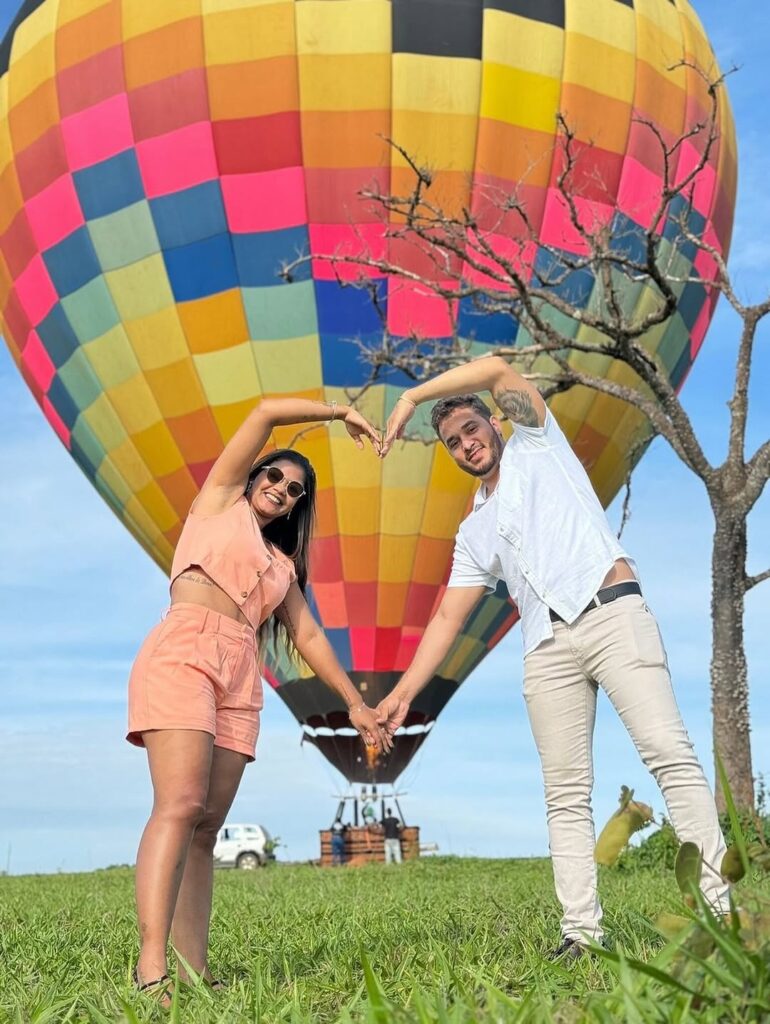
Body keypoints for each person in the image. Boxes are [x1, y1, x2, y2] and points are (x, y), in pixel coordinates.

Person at [375, 355, 729, 958]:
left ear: (493, 423)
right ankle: (581, 934)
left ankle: (719, 912)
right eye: (453, 443)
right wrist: (402, 694)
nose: (466, 445)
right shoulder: (474, 529)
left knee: (669, 753)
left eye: (471, 431)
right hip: (546, 647)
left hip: (611, 611)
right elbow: (446, 619)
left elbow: (494, 368)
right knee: (565, 792)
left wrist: (409, 401)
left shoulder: (538, 443)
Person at [126, 397, 391, 1000]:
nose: (283, 489)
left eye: (297, 490)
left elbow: (308, 635)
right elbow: (268, 411)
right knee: (180, 803)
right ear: (252, 477)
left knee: (207, 825)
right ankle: (150, 970)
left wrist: (353, 701)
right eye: (274, 476)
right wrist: (339, 414)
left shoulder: (281, 563)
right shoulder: (217, 502)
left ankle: (196, 968)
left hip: (241, 670)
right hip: (185, 650)